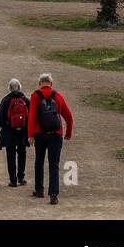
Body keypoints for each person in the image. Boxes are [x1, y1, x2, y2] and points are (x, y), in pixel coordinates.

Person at [28, 72, 74, 205]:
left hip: (40, 134)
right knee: (54, 164)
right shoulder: (58, 96)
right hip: (56, 134)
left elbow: (32, 117)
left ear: (39, 83)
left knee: (39, 161)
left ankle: (39, 189)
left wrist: (30, 135)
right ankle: (53, 194)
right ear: (51, 84)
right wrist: (68, 133)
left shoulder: (35, 96)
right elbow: (69, 117)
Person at [0, 79, 30, 187]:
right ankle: (21, 177)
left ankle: (13, 180)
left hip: (9, 131)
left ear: (9, 88)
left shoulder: (6, 100)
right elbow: (31, 117)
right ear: (19, 87)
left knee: (10, 155)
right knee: (22, 153)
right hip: (23, 131)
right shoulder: (26, 100)